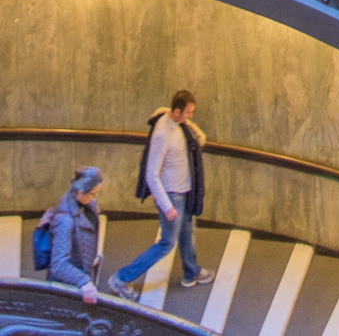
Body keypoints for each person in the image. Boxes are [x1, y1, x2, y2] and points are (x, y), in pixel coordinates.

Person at [107, 89, 214, 300]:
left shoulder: (179, 126)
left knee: (187, 233)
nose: (190, 117)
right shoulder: (162, 134)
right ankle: (120, 278)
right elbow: (151, 174)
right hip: (172, 196)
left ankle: (192, 271)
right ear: (176, 111)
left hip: (184, 193)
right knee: (166, 244)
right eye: (188, 113)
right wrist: (167, 206)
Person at [46, 165, 103, 303]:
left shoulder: (84, 204)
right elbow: (59, 265)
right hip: (66, 292)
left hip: (80, 275)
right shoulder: (64, 220)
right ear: (80, 193)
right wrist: (84, 282)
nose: (94, 198)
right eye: (93, 194)